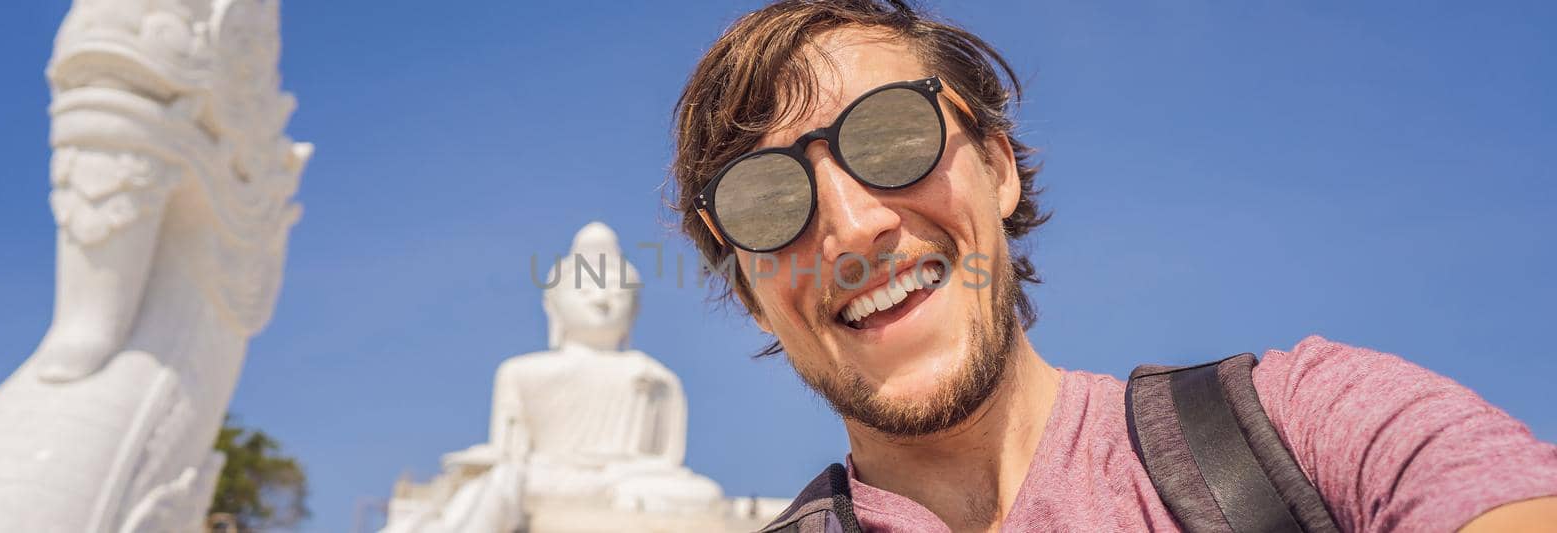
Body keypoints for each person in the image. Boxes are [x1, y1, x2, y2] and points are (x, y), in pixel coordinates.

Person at [666, 1, 1557, 531]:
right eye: (767, 206)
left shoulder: (1304, 428)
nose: (853, 228)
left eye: (894, 137)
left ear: (1000, 166)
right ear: (750, 295)